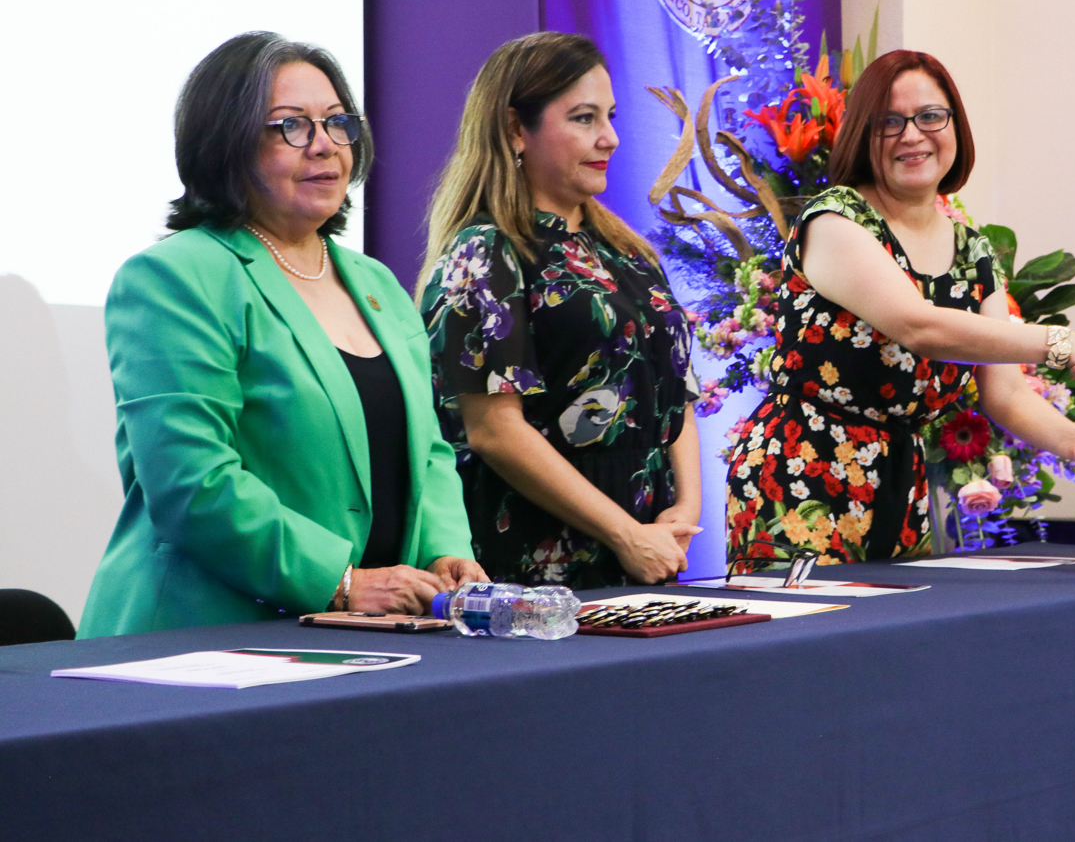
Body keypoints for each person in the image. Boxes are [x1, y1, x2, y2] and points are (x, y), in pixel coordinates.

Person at [79, 33, 485, 638]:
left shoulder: (375, 282)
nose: (325, 145)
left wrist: (444, 550)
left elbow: (428, 449)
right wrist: (341, 581)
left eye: (338, 122)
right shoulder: (176, 277)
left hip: (362, 638)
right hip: (200, 641)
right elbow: (192, 483)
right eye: (291, 126)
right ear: (228, 142)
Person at [725, 50, 1075, 568]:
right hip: (801, 471)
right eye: (889, 122)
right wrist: (1065, 343)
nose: (912, 135)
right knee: (808, 622)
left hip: (900, 482)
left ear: (954, 126)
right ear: (862, 135)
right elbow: (918, 326)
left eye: (929, 116)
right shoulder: (835, 220)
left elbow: (1007, 393)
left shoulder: (972, 250)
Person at [418, 32, 702, 589]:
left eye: (610, 116)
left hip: (648, 551)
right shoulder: (484, 251)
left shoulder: (627, 251)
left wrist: (684, 509)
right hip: (538, 569)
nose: (609, 137)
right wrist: (624, 534)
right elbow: (494, 431)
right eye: (583, 118)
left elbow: (676, 392)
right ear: (513, 129)